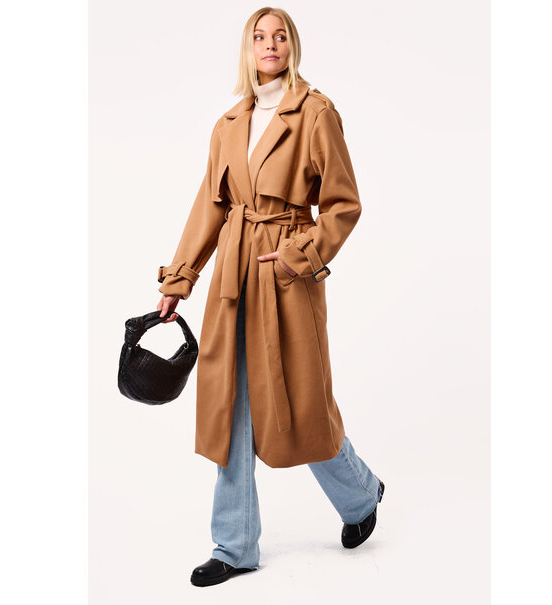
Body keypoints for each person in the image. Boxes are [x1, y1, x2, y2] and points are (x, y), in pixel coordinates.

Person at [156, 8, 384, 587]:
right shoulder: (229, 123)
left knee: (300, 405)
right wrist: (179, 280)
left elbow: (343, 205)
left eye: (280, 35)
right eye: (259, 36)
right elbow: (210, 206)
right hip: (233, 276)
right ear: (248, 47)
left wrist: (297, 255)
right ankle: (234, 545)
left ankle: (361, 495)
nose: (270, 44)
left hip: (285, 274)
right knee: (230, 404)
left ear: (292, 45)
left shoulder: (316, 113)